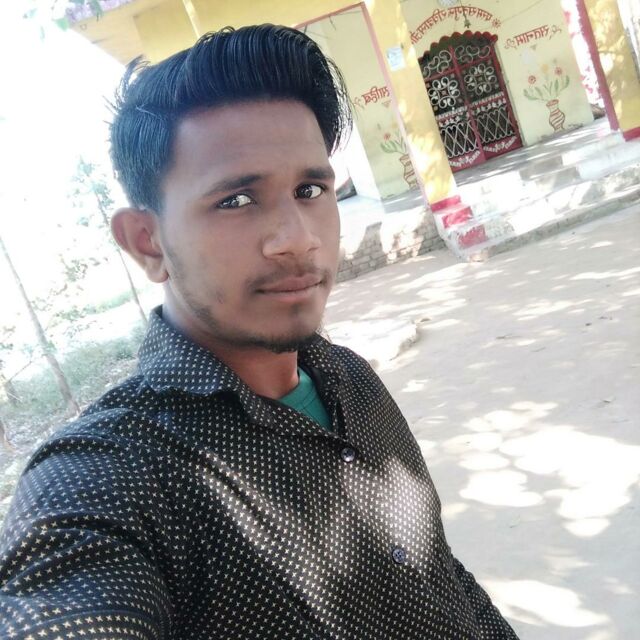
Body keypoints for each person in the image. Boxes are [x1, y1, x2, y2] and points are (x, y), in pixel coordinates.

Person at [0, 24, 518, 640]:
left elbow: (442, 575)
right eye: (237, 201)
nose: (298, 238)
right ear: (147, 242)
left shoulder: (350, 378)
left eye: (310, 189)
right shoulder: (113, 475)